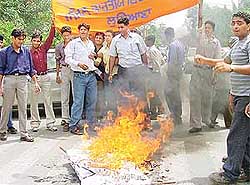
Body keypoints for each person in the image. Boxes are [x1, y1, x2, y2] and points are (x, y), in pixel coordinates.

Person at [195, 11, 250, 184]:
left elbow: (231, 67)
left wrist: (231, 69)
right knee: (246, 137)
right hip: (239, 94)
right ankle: (245, 169)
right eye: (233, 23)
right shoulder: (237, 44)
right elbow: (223, 61)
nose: (235, 26)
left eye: (240, 23)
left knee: (236, 135)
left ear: (249, 25)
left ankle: (230, 174)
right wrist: (205, 60)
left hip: (247, 96)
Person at [0, 28, 40, 142]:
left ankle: (24, 133)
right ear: (13, 38)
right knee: (6, 107)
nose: (21, 41)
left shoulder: (26, 51)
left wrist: (36, 83)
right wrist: (0, 86)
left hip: (23, 79)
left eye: (23, 39)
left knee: (23, 108)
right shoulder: (4, 52)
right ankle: (2, 131)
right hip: (9, 79)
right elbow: (1, 71)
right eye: (19, 39)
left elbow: (31, 69)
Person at [189, 20, 222, 133]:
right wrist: (198, 32)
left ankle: (207, 119)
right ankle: (196, 124)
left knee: (207, 97)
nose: (206, 29)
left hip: (208, 71)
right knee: (194, 97)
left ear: (213, 30)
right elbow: (191, 39)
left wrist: (215, 74)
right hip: (197, 70)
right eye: (205, 27)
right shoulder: (199, 38)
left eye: (208, 28)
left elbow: (218, 59)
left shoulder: (216, 43)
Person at [65, 23, 98, 135]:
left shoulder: (91, 44)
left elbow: (92, 58)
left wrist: (93, 57)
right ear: (79, 31)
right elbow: (67, 59)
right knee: (78, 102)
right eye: (81, 30)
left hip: (91, 75)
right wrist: (78, 64)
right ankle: (73, 125)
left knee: (92, 101)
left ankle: (91, 124)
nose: (83, 31)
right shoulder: (73, 43)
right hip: (79, 75)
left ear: (88, 31)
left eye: (85, 30)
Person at [109, 17, 148, 102]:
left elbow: (143, 54)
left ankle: (143, 113)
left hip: (137, 69)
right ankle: (127, 114)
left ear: (127, 26)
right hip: (123, 70)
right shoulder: (115, 40)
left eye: (122, 27)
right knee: (124, 94)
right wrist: (110, 73)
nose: (120, 29)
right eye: (118, 27)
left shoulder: (137, 38)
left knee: (140, 93)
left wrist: (145, 69)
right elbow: (112, 57)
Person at [29, 22, 57, 132]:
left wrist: (53, 25)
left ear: (40, 41)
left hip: (45, 77)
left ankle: (50, 123)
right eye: (34, 40)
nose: (36, 42)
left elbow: (50, 38)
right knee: (34, 102)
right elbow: (28, 66)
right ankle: (35, 124)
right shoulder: (28, 52)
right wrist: (33, 77)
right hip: (34, 78)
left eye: (38, 41)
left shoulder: (44, 48)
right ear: (32, 41)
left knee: (48, 101)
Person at [164, 28, 185, 125]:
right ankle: (178, 115)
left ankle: (174, 115)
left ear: (168, 36)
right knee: (176, 94)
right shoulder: (180, 44)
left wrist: (169, 72)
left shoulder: (172, 45)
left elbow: (172, 62)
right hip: (179, 71)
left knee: (169, 93)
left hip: (173, 72)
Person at [55, 26, 73, 130]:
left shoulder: (75, 44)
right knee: (64, 95)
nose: (66, 36)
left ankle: (75, 118)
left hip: (74, 69)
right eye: (64, 35)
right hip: (64, 69)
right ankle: (65, 118)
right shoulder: (59, 46)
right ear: (62, 35)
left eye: (68, 35)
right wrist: (57, 74)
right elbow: (57, 61)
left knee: (76, 95)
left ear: (70, 35)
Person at [145, 35, 166, 119]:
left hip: (154, 74)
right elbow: (163, 61)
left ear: (150, 41)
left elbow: (156, 64)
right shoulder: (154, 50)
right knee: (154, 93)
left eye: (146, 40)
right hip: (155, 74)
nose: (145, 42)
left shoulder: (152, 51)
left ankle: (154, 112)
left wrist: (152, 74)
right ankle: (159, 110)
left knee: (152, 94)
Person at [0, 34, 17, 134]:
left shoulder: (5, 53)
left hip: (4, 81)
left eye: (1, 42)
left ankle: (9, 125)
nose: (0, 44)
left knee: (7, 104)